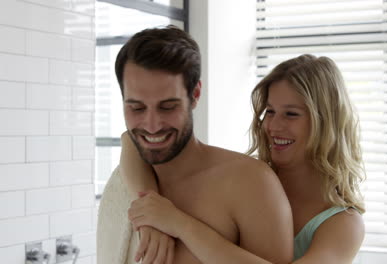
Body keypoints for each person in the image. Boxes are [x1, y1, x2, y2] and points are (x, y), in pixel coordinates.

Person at [125, 54, 366, 263]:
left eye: (291, 114)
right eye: (269, 111)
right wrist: (150, 211)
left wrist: (179, 225)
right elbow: (131, 142)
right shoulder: (249, 179)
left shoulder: (344, 224)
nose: (273, 125)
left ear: (326, 123)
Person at [96, 25, 294, 264]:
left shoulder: (250, 183)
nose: (151, 125)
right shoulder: (124, 182)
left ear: (195, 94)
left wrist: (179, 224)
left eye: (168, 106)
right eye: (136, 107)